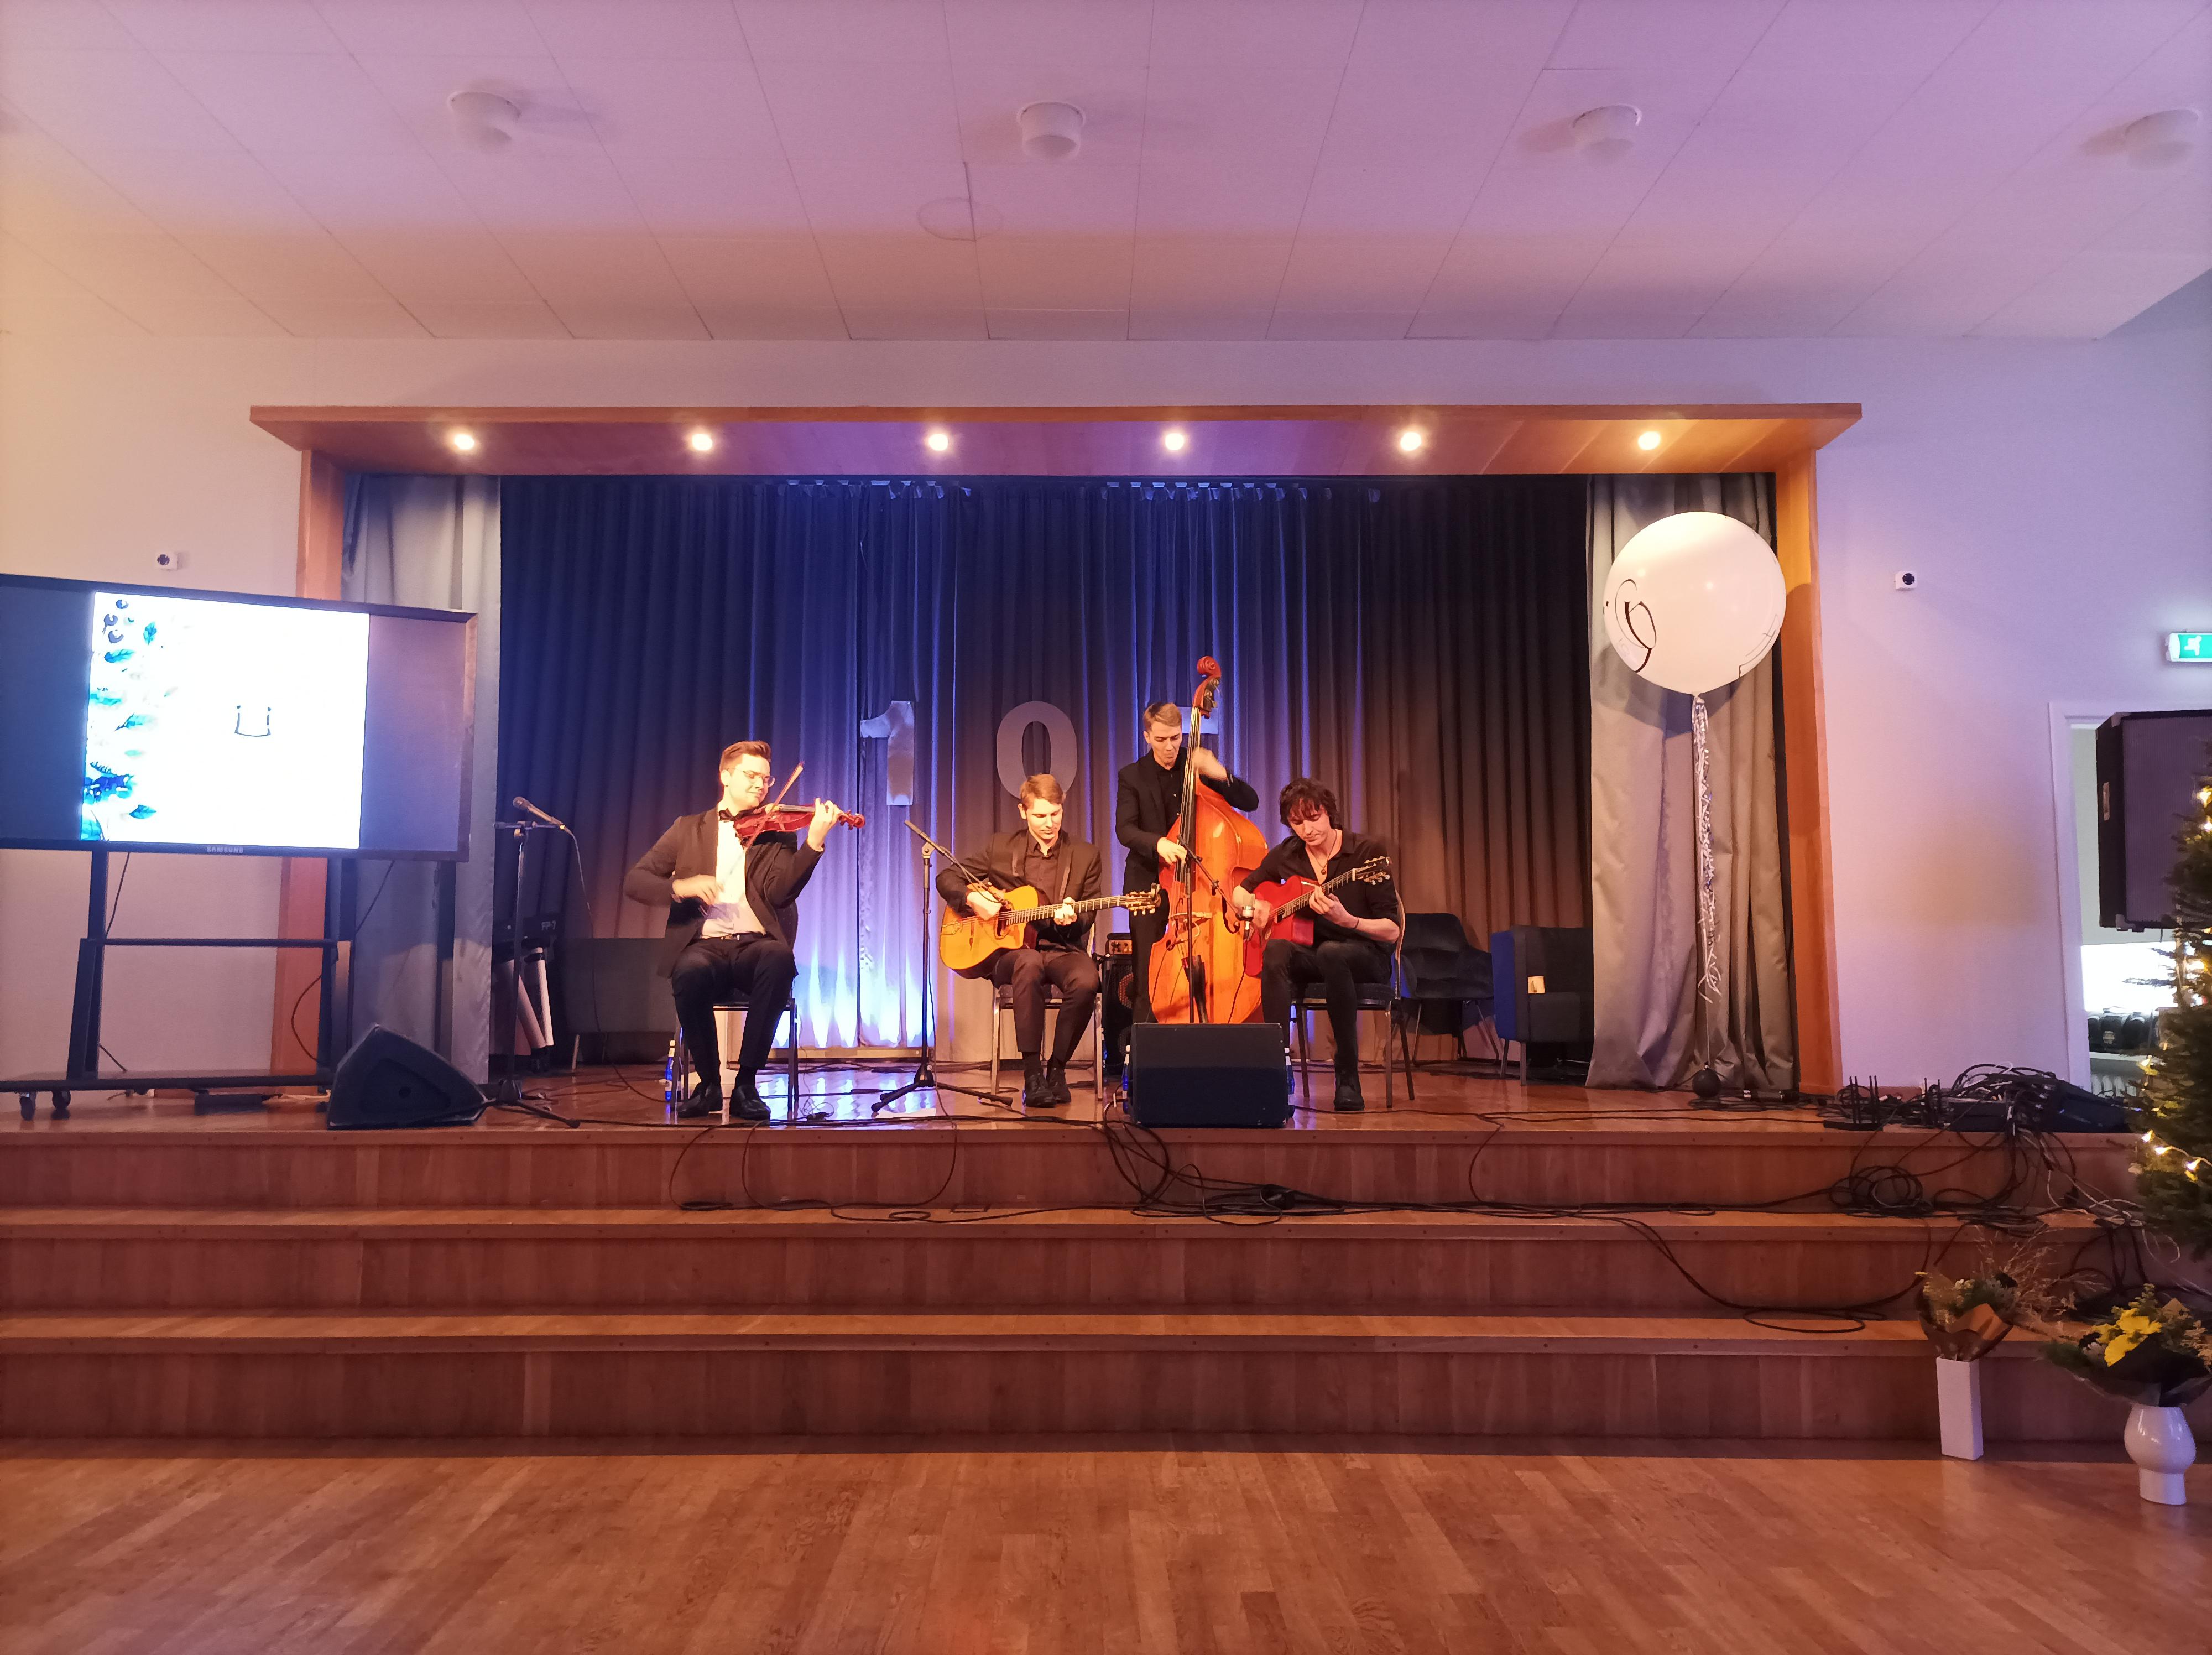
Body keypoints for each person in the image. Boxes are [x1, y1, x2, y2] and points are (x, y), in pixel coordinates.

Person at [623, 740, 845, 1122]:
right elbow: (636, 881)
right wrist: (681, 886)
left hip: (754, 946)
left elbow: (780, 894)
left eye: (766, 779)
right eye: (751, 775)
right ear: (725, 776)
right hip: (705, 946)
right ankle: (709, 1084)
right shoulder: (688, 829)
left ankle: (746, 1083)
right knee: (688, 970)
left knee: (779, 959)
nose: (761, 785)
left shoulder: (777, 832)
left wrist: (813, 842)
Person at [1228, 778, 1399, 1112]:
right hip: (1313, 956)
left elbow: (1392, 931)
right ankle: (1275, 1070)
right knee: (1276, 950)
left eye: (1314, 818)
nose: (1307, 829)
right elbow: (1240, 889)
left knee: (1333, 952)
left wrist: (1348, 921)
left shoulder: (1367, 853)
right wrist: (1254, 907)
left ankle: (1347, 1079)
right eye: (1297, 823)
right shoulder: (1288, 853)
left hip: (1364, 955)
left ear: (1329, 812)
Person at [937, 774, 1103, 1109]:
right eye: (1040, 815)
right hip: (1011, 954)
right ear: (1023, 812)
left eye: (1055, 814)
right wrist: (973, 899)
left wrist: (1072, 919)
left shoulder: (1086, 855)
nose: (1049, 823)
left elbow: (1088, 916)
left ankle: (1057, 1070)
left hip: (1061, 948)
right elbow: (947, 877)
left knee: (1088, 980)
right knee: (1029, 962)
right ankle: (1032, 1075)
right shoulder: (1000, 848)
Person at [1114, 700, 1260, 1026]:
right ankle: (1144, 1050)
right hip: (1149, 883)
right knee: (1147, 973)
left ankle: (1208, 1037)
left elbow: (1251, 801)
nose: (1170, 747)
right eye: (1161, 740)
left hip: (1199, 885)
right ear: (1147, 737)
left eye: (1175, 738)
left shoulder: (1197, 768)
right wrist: (1159, 844)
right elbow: (1125, 829)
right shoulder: (1131, 776)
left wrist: (1218, 772)